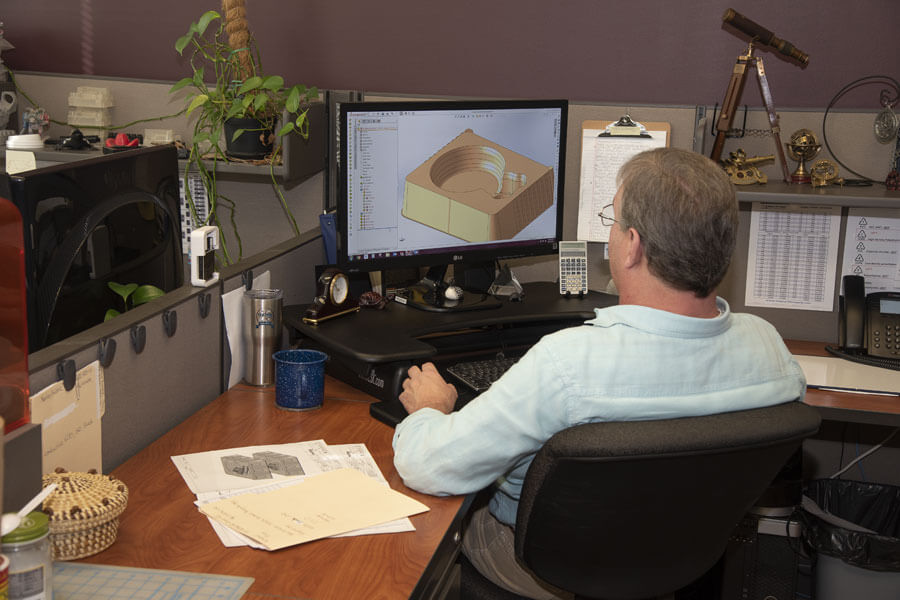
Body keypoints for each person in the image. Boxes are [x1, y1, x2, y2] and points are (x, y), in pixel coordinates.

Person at [392, 147, 806, 599]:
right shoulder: (769, 348)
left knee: (440, 516)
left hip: (541, 570)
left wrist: (431, 410)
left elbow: (429, 466)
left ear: (632, 246)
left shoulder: (568, 364)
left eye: (612, 221)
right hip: (679, 560)